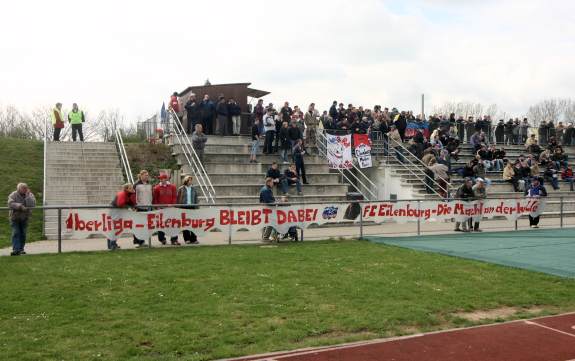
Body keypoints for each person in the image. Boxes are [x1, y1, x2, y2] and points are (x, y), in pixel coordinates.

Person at [7, 183, 36, 256]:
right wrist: (20, 206)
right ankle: (16, 250)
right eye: (23, 188)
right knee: (16, 232)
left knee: (23, 233)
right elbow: (10, 203)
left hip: (25, 218)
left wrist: (27, 197)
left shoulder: (30, 195)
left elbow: (32, 204)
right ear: (19, 189)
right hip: (14, 217)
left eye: (26, 188)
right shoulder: (13, 194)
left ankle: (21, 249)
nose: (25, 189)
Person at [107, 183, 137, 250]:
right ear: (126, 189)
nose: (132, 189)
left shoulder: (127, 194)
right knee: (114, 229)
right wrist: (129, 207)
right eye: (131, 188)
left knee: (114, 229)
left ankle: (111, 244)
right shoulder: (123, 194)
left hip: (115, 212)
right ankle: (112, 245)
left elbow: (129, 202)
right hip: (114, 212)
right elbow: (120, 204)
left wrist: (132, 206)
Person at [153, 173, 181, 245]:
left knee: (173, 224)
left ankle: (174, 239)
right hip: (161, 209)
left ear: (166, 179)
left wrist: (172, 205)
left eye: (163, 178)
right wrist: (157, 207)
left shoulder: (172, 187)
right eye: (160, 179)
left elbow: (174, 197)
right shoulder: (157, 188)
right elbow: (155, 198)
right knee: (161, 224)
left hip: (171, 208)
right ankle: (162, 239)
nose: (162, 180)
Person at [132, 170, 153, 247]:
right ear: (141, 176)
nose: (146, 176)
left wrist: (151, 205)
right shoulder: (136, 185)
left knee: (145, 226)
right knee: (138, 225)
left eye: (147, 175)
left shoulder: (150, 184)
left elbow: (151, 196)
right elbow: (134, 196)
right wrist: (135, 206)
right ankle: (138, 241)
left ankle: (142, 241)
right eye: (145, 175)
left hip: (148, 207)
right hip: (139, 207)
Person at [177, 175, 199, 244]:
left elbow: (196, 198)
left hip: (192, 207)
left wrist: (197, 207)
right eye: (189, 180)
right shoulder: (181, 189)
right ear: (186, 181)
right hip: (184, 207)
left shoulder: (193, 189)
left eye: (191, 180)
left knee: (193, 224)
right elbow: (178, 198)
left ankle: (194, 239)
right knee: (185, 224)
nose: (190, 181)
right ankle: (187, 239)